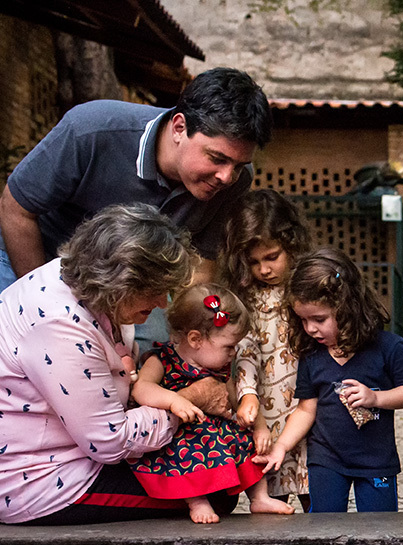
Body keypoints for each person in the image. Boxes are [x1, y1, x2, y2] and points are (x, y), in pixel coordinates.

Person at [0, 67, 271, 354]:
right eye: (217, 158)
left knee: (152, 352)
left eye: (239, 165)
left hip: (134, 283)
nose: (227, 177)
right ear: (179, 127)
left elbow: (202, 265)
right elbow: (16, 209)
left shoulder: (233, 181)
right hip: (34, 260)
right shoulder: (92, 130)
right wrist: (48, 304)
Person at [0, 204, 240, 525]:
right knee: (218, 491)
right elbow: (109, 441)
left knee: (213, 471)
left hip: (70, 451)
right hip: (37, 482)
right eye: (155, 291)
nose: (162, 304)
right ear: (121, 281)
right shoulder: (59, 326)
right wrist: (190, 400)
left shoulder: (85, 283)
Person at [260, 248, 403, 513]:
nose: (310, 328)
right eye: (303, 320)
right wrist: (281, 447)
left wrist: (377, 398)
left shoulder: (389, 347)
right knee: (323, 528)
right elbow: (306, 409)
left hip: (376, 461)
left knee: (379, 531)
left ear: (348, 308)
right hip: (326, 460)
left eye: (319, 319)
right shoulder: (312, 356)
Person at [130, 285, 295, 524]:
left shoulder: (220, 367)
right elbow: (142, 389)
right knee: (186, 454)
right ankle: (197, 502)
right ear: (195, 339)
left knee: (246, 444)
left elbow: (236, 399)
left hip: (218, 430)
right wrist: (174, 400)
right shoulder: (161, 359)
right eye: (228, 347)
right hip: (183, 431)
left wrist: (259, 427)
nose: (234, 353)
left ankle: (259, 497)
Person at [225, 189, 313, 510]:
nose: (263, 269)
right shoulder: (246, 300)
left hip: (309, 406)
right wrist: (249, 396)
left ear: (291, 245)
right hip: (267, 411)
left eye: (272, 257)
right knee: (272, 505)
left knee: (317, 502)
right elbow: (245, 354)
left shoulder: (307, 288)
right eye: (254, 262)